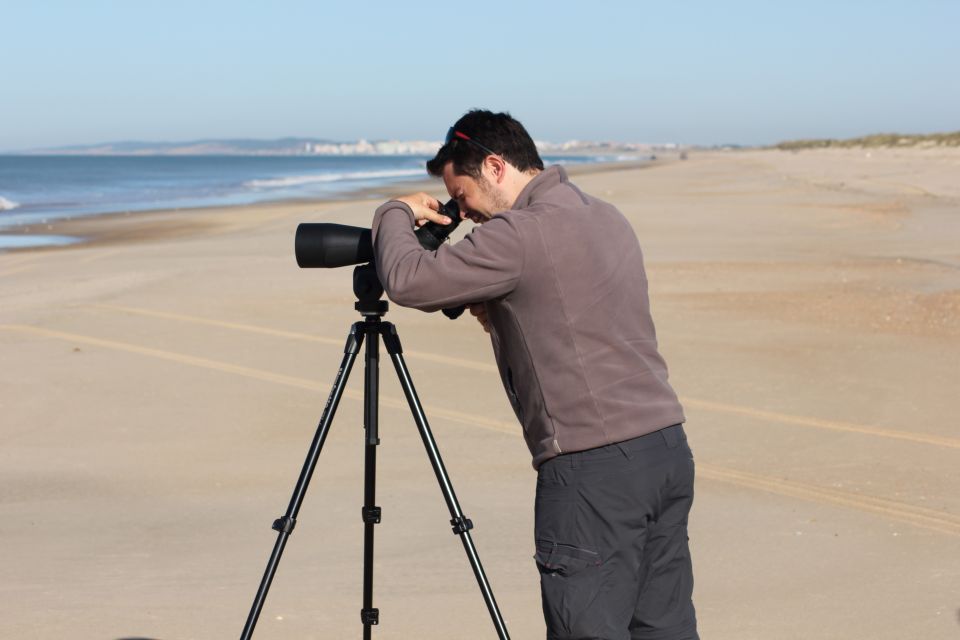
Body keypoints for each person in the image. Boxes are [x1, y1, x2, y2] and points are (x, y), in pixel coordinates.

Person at [371, 110, 698, 640]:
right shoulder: (604, 216)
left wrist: (394, 212)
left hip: (593, 468)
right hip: (663, 450)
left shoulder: (519, 234)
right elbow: (573, 310)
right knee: (664, 628)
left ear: (496, 166)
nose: (465, 213)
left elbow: (409, 280)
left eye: (463, 196)